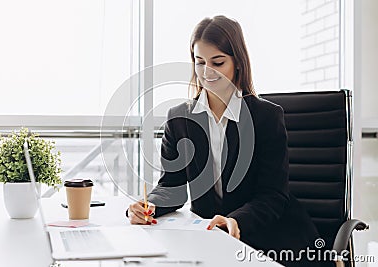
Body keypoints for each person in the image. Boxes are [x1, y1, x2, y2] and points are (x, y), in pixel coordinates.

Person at [126, 15, 319, 267]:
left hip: (269, 238)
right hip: (211, 238)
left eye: (218, 62)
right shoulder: (179, 118)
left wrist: (237, 220)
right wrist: (148, 205)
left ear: (237, 62)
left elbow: (273, 195)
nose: (207, 72)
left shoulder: (266, 117)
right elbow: (171, 186)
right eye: (200, 62)